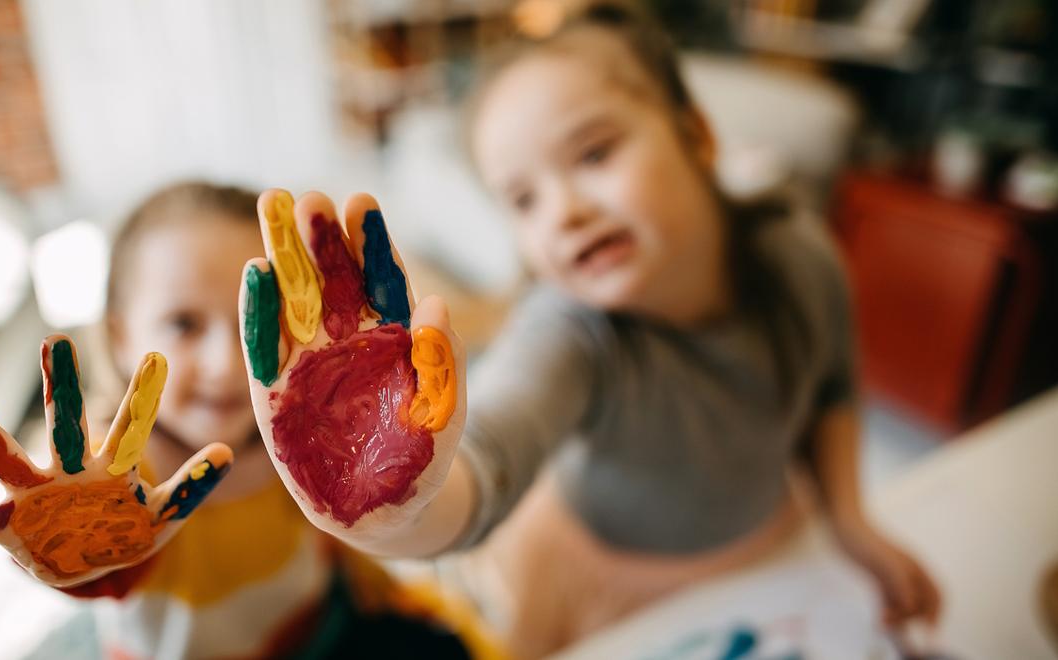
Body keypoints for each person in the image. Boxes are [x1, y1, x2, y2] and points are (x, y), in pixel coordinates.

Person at [237, 4, 941, 658]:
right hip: (606, 583)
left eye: (594, 154)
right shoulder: (571, 331)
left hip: (765, 540)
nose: (564, 211)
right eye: (524, 198)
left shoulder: (798, 251)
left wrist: (851, 516)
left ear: (695, 132)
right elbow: (489, 454)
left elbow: (833, 388)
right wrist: (400, 512)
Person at [0, 182, 497, 660]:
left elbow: (337, 543)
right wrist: (73, 556)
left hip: (321, 635)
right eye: (184, 323)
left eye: (253, 320)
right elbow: (97, 565)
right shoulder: (119, 471)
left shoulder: (310, 439)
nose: (225, 362)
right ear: (120, 336)